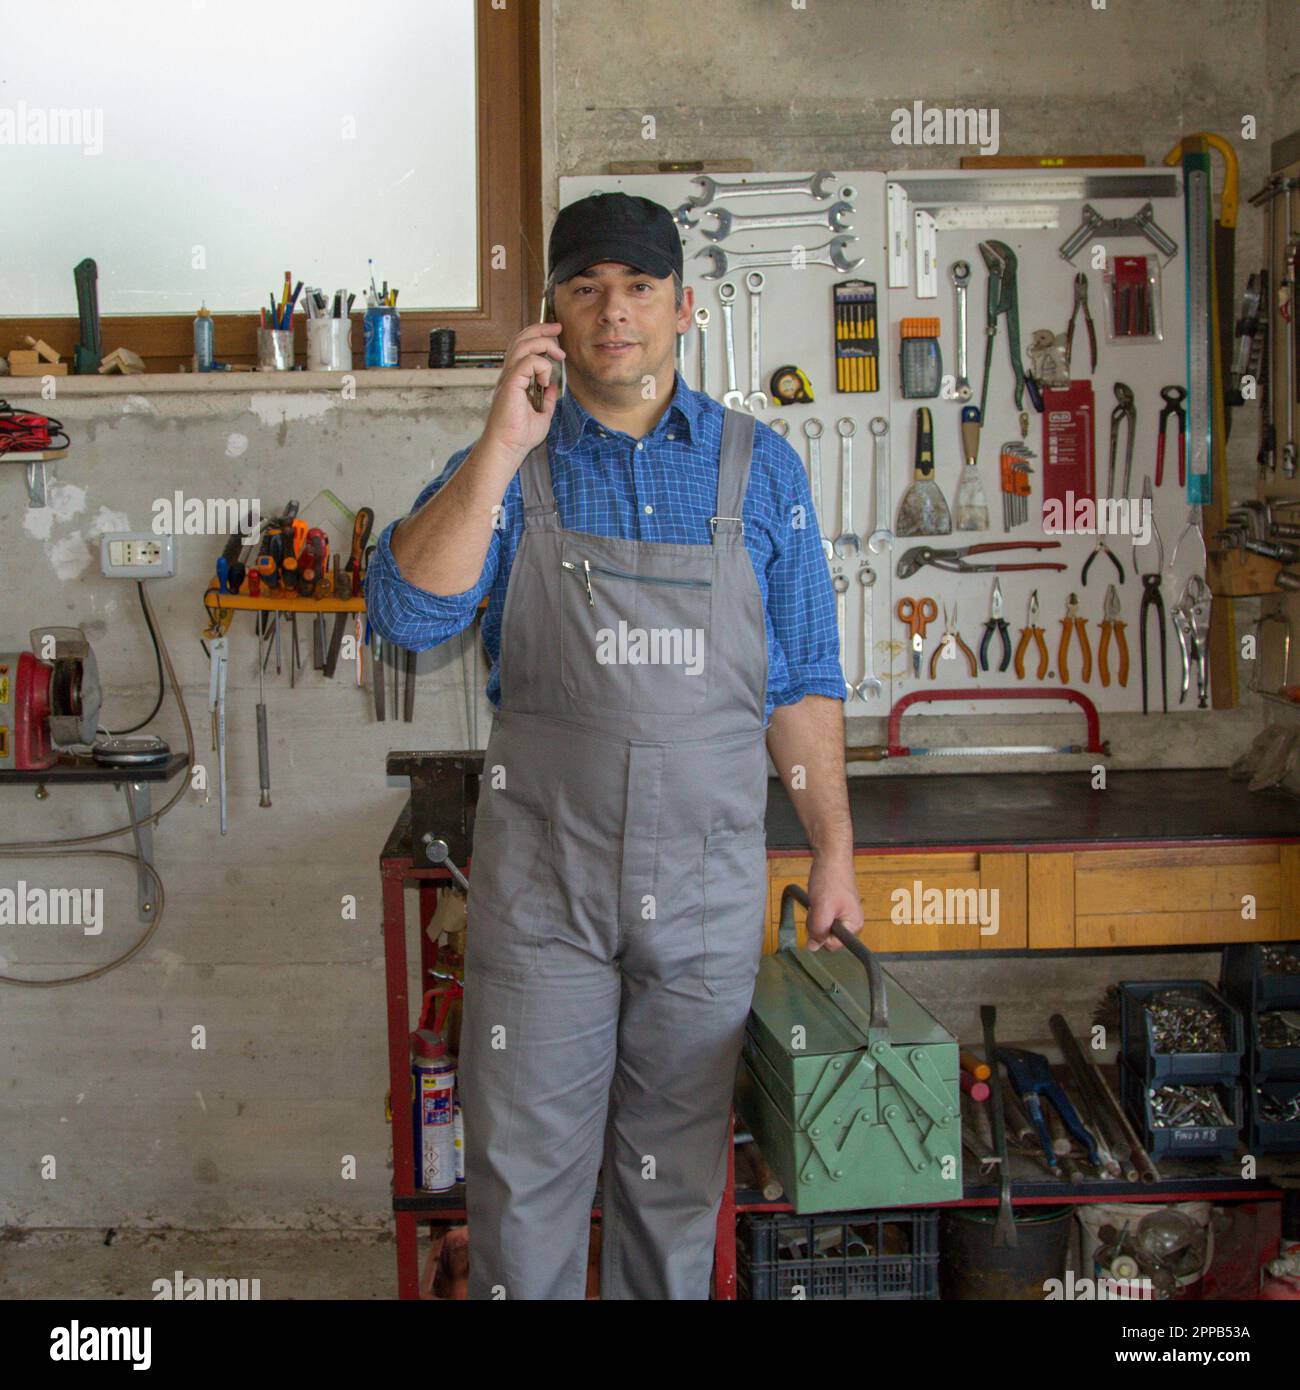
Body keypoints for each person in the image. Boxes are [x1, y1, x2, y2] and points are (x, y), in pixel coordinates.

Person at [365, 191, 862, 1299]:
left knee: (673, 1183)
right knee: (523, 1176)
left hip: (704, 886)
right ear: (552, 312)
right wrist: (500, 443)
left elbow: (803, 683)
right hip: (546, 889)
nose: (613, 311)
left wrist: (832, 847)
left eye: (638, 287)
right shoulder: (508, 465)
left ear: (683, 307)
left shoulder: (760, 472)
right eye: (585, 288)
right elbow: (407, 615)